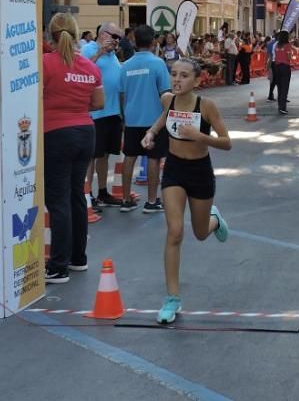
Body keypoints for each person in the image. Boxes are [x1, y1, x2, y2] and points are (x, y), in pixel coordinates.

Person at [140, 58, 232, 324]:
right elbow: (161, 120)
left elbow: (227, 142)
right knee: (175, 232)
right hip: (175, 170)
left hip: (200, 172)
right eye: (173, 75)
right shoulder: (167, 100)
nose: (177, 80)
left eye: (183, 76)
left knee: (200, 233)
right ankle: (172, 298)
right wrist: (150, 133)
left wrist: (200, 136)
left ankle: (214, 221)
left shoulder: (206, 107)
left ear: (197, 81)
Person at [42, 13, 104, 283]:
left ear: (50, 35)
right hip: (85, 131)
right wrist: (76, 108)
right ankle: (79, 258)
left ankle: (58, 266)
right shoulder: (90, 67)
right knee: (78, 196)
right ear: (77, 34)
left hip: (56, 133)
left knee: (58, 201)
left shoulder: (45, 63)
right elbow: (99, 103)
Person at [122, 25, 172, 214]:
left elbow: (122, 94)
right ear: (153, 42)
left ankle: (126, 200)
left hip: (132, 118)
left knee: (129, 157)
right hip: (154, 121)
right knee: (153, 158)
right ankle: (152, 201)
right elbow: (165, 93)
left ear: (134, 42)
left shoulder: (125, 65)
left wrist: (124, 116)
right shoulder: (158, 64)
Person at [81, 22, 125, 210]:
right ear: (103, 34)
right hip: (96, 113)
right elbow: (82, 69)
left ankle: (103, 192)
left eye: (119, 39)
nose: (117, 41)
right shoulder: (88, 49)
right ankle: (87, 194)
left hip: (113, 112)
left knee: (105, 155)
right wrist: (99, 52)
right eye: (114, 37)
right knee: (92, 156)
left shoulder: (113, 55)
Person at [273, 30, 295, 114]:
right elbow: (289, 57)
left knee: (280, 87)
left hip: (277, 67)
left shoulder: (277, 45)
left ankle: (280, 106)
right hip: (285, 67)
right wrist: (292, 56)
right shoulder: (287, 45)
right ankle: (283, 107)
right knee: (285, 87)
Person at [266, 32, 278, 102]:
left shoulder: (270, 43)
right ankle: (271, 95)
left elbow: (268, 54)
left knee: (272, 79)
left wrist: (267, 63)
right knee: (276, 80)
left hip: (270, 62)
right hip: (275, 62)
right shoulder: (277, 44)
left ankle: (271, 94)